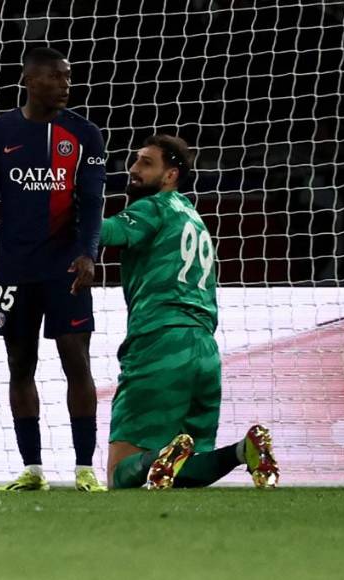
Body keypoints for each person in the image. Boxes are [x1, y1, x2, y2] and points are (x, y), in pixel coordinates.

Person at [0, 47, 107, 492]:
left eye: (68, 76)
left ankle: (85, 467)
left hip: (66, 266)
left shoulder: (84, 133)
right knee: (19, 365)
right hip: (13, 267)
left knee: (77, 362)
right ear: (30, 81)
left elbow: (91, 202)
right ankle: (32, 469)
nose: (67, 84)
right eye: (57, 76)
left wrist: (89, 252)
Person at [100, 134, 279, 490]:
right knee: (184, 470)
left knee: (121, 475)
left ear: (171, 176)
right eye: (134, 160)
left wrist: (61, 201)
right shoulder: (195, 219)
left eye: (146, 163)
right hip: (205, 351)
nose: (132, 169)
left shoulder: (154, 207)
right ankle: (244, 451)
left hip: (160, 343)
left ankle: (157, 456)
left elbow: (102, 232)